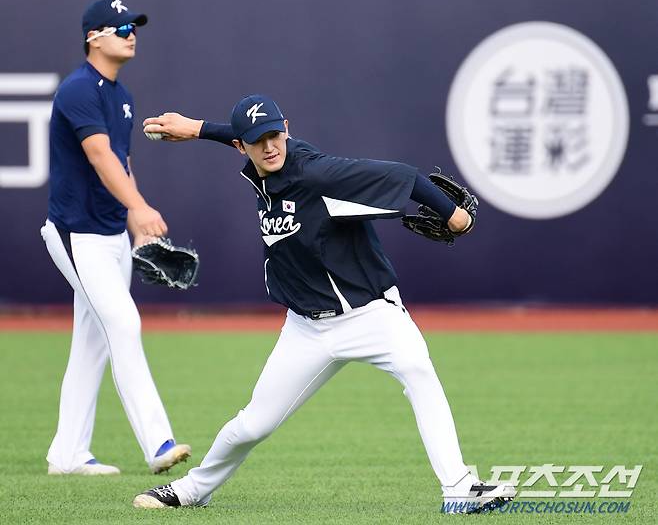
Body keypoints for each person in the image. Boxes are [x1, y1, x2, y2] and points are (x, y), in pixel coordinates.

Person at [133, 95, 515, 512]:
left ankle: (459, 487)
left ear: (287, 129)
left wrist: (456, 215)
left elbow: (406, 176)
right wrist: (199, 128)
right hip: (306, 329)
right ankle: (191, 491)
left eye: (275, 134)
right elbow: (244, 136)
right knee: (252, 425)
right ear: (242, 147)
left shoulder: (318, 173)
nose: (270, 146)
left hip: (371, 314)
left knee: (418, 370)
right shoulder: (261, 164)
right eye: (256, 141)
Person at [40, 0, 191, 476]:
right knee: (123, 324)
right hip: (75, 234)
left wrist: (134, 222)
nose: (131, 33)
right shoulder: (78, 90)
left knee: (93, 340)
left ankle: (67, 453)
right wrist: (141, 207)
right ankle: (158, 442)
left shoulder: (121, 96)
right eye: (121, 26)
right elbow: (99, 155)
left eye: (134, 26)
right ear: (93, 36)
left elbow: (122, 163)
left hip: (110, 234)